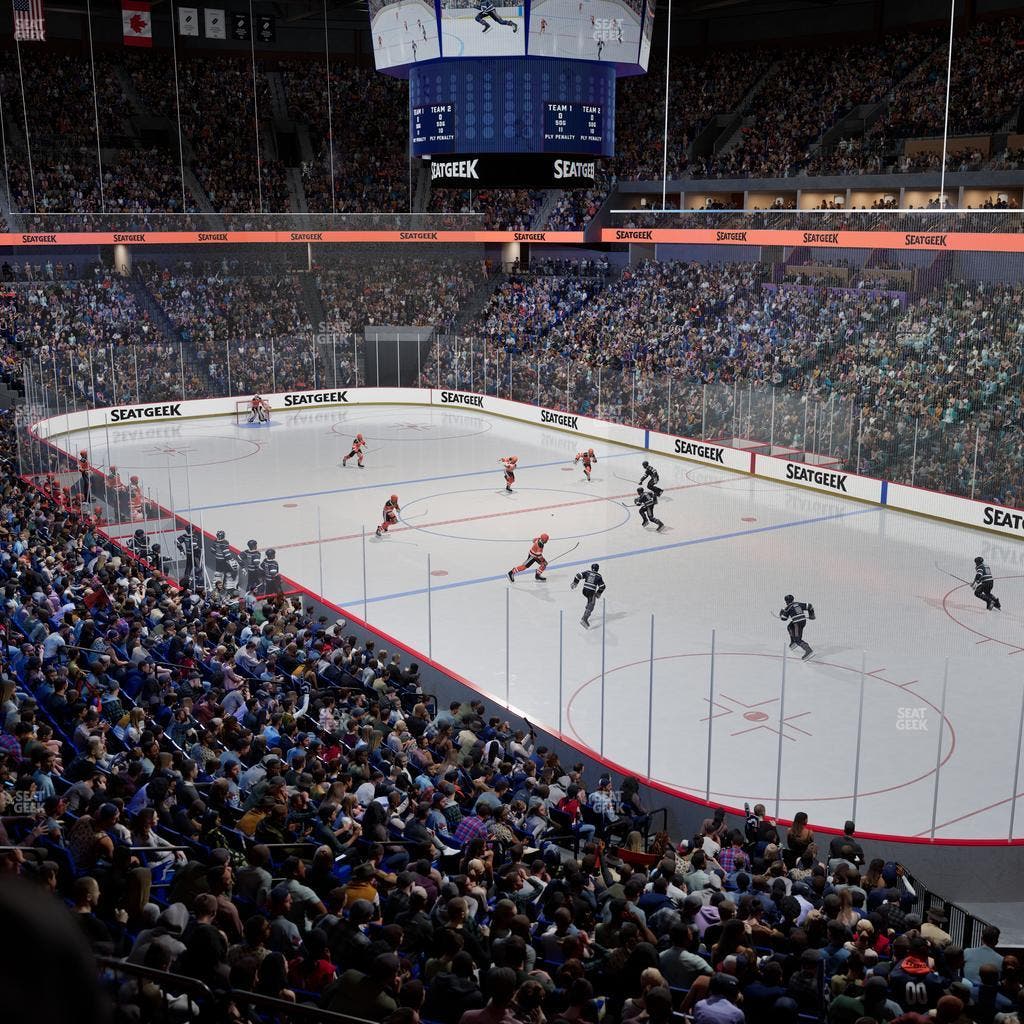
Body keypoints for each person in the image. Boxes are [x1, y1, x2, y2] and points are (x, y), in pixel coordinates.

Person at [779, 594, 814, 660]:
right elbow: (810, 606)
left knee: (798, 639)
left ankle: (808, 650)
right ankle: (793, 642)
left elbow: (784, 618)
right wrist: (811, 615)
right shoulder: (798, 604)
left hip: (797, 623)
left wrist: (781, 613)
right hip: (803, 621)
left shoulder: (788, 607)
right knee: (790, 626)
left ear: (786, 601)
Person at [570, 563, 605, 628]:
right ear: (598, 569)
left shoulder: (587, 572)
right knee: (591, 604)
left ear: (591, 568)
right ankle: (584, 619)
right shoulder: (599, 576)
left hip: (584, 591)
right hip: (591, 592)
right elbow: (602, 586)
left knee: (589, 600)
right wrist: (598, 593)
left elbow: (578, 575)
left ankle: (587, 609)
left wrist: (575, 583)